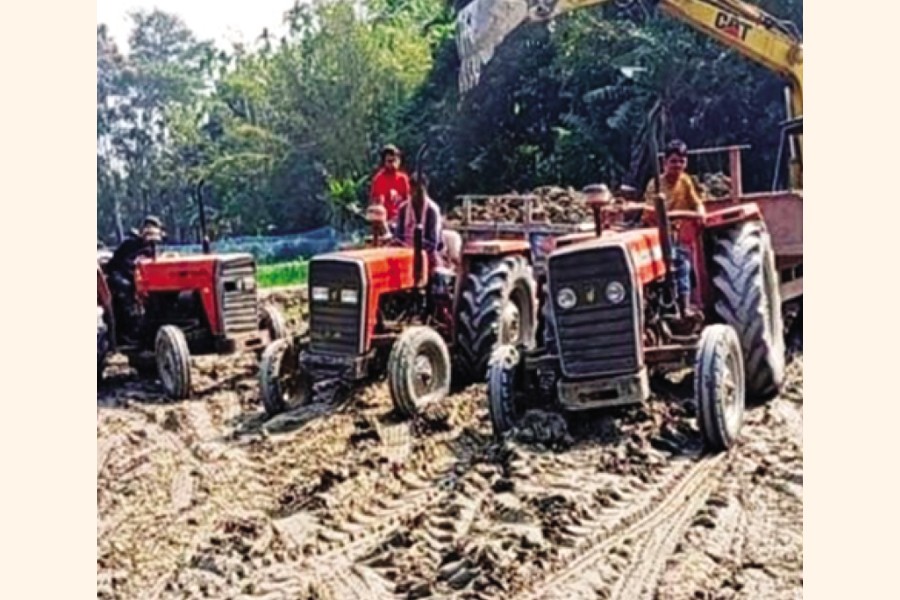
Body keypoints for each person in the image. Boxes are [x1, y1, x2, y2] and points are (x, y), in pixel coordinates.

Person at [642, 140, 706, 317]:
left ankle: (683, 307)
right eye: (673, 161)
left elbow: (696, 203)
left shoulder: (685, 182)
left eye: (681, 161)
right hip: (656, 234)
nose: (677, 165)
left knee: (682, 263)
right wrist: (665, 216)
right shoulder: (655, 184)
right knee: (679, 262)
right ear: (665, 163)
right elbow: (649, 212)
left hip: (674, 234)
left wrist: (701, 213)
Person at [105, 216, 164, 342]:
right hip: (120, 275)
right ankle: (129, 330)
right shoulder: (130, 244)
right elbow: (116, 263)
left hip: (140, 277)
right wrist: (132, 271)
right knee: (126, 289)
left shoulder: (151, 248)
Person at [395, 173, 444, 273]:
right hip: (404, 254)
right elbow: (398, 236)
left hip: (427, 256)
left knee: (436, 273)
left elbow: (433, 243)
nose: (416, 195)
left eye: (420, 191)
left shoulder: (432, 210)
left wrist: (417, 249)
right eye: (413, 191)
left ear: (425, 190)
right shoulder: (403, 209)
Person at [369, 144, 411, 224]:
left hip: (402, 221)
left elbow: (408, 201)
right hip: (385, 222)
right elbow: (377, 204)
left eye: (395, 160)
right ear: (384, 162)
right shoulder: (379, 179)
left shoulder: (403, 178)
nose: (393, 164)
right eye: (390, 161)